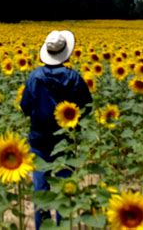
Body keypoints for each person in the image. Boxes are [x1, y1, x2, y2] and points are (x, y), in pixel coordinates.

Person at [20, 30, 92, 230]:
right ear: (65, 54)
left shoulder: (35, 77)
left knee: (41, 187)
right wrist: (74, 123)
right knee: (64, 187)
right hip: (65, 139)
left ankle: (42, 226)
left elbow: (25, 107)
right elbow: (87, 106)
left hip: (39, 139)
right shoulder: (74, 78)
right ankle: (63, 226)